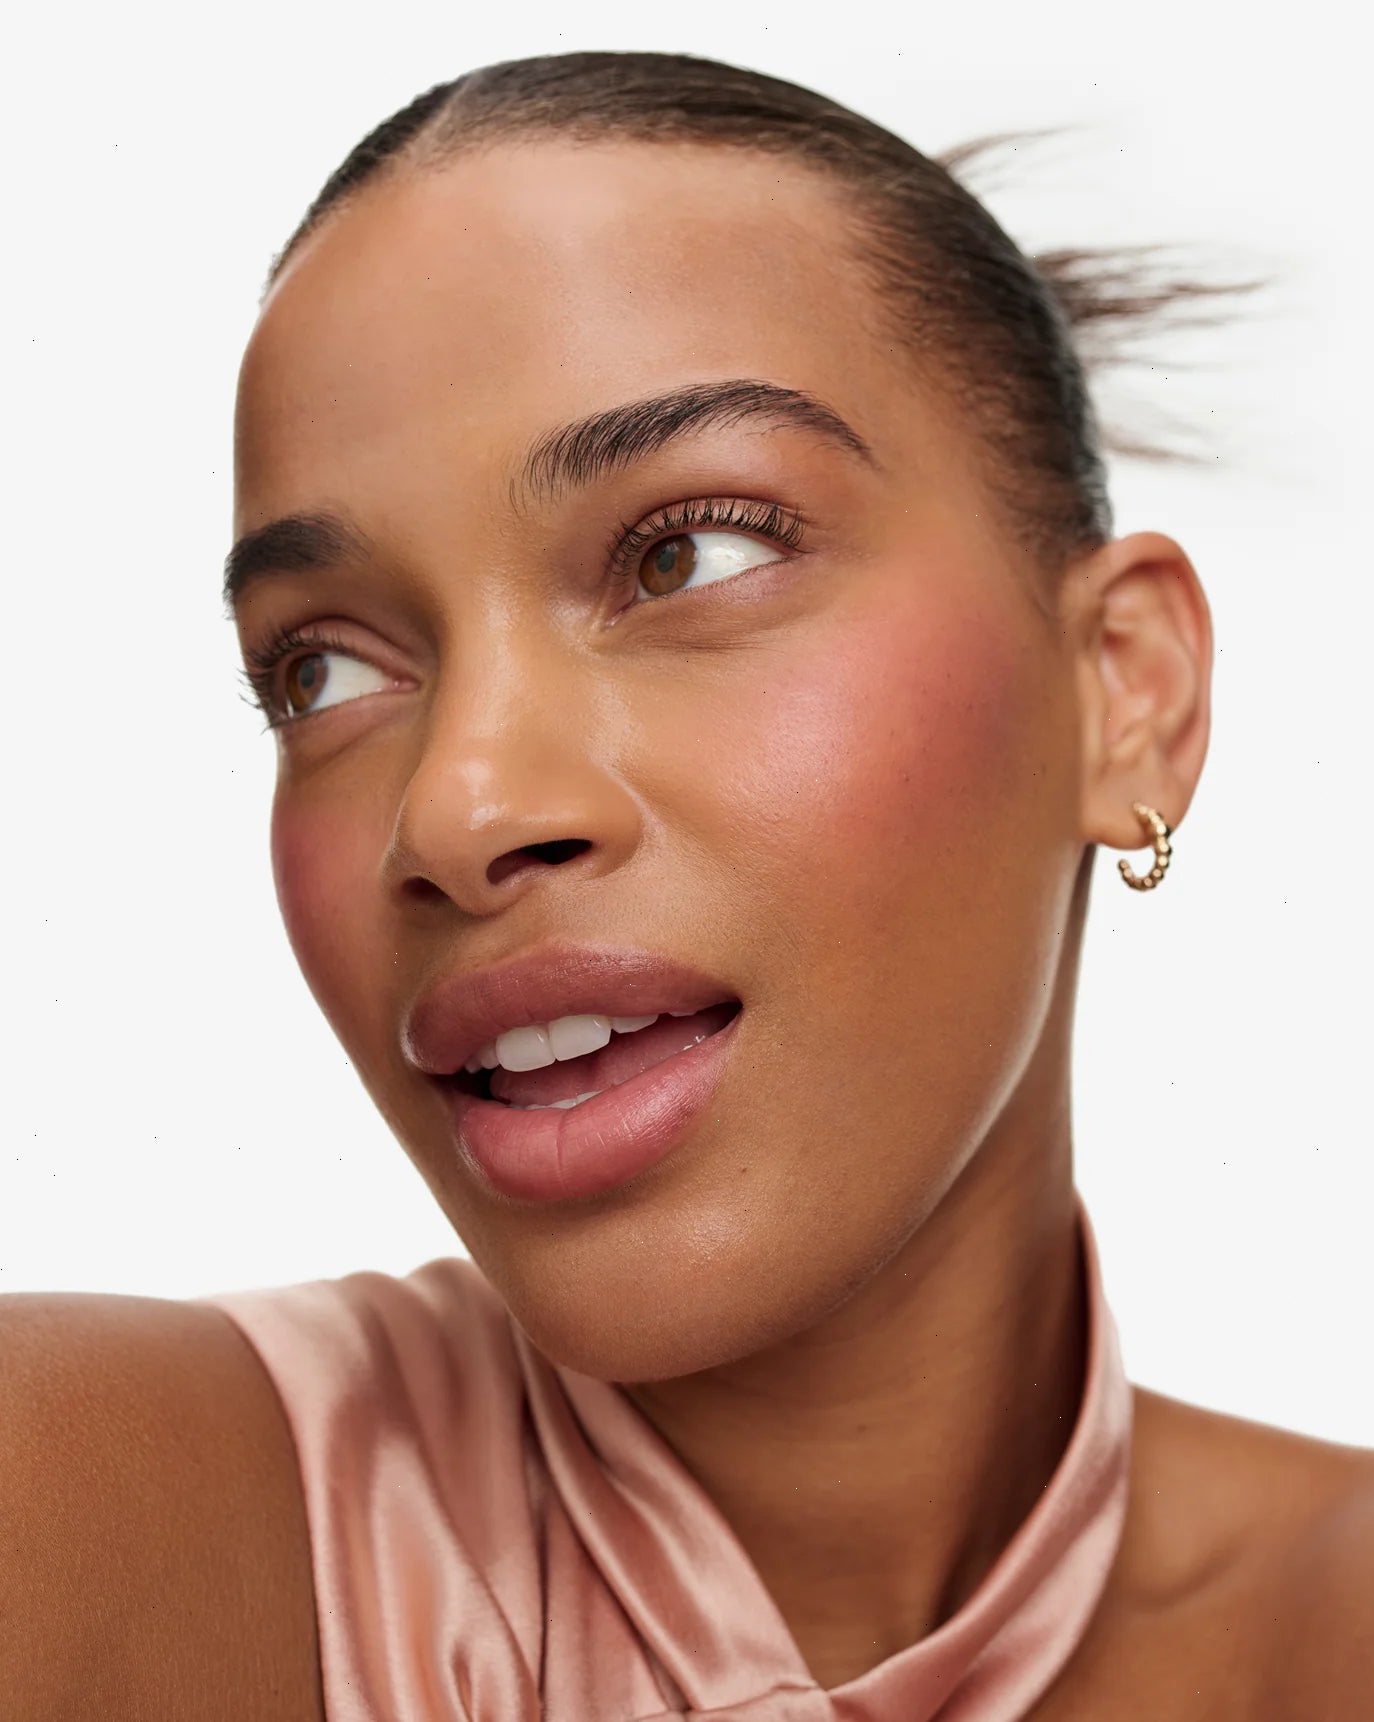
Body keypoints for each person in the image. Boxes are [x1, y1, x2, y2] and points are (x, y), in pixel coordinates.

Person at [3, 49, 1370, 1722]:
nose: (456, 807)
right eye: (321, 669)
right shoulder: (68, 1522)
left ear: (1123, 692)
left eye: (684, 554)